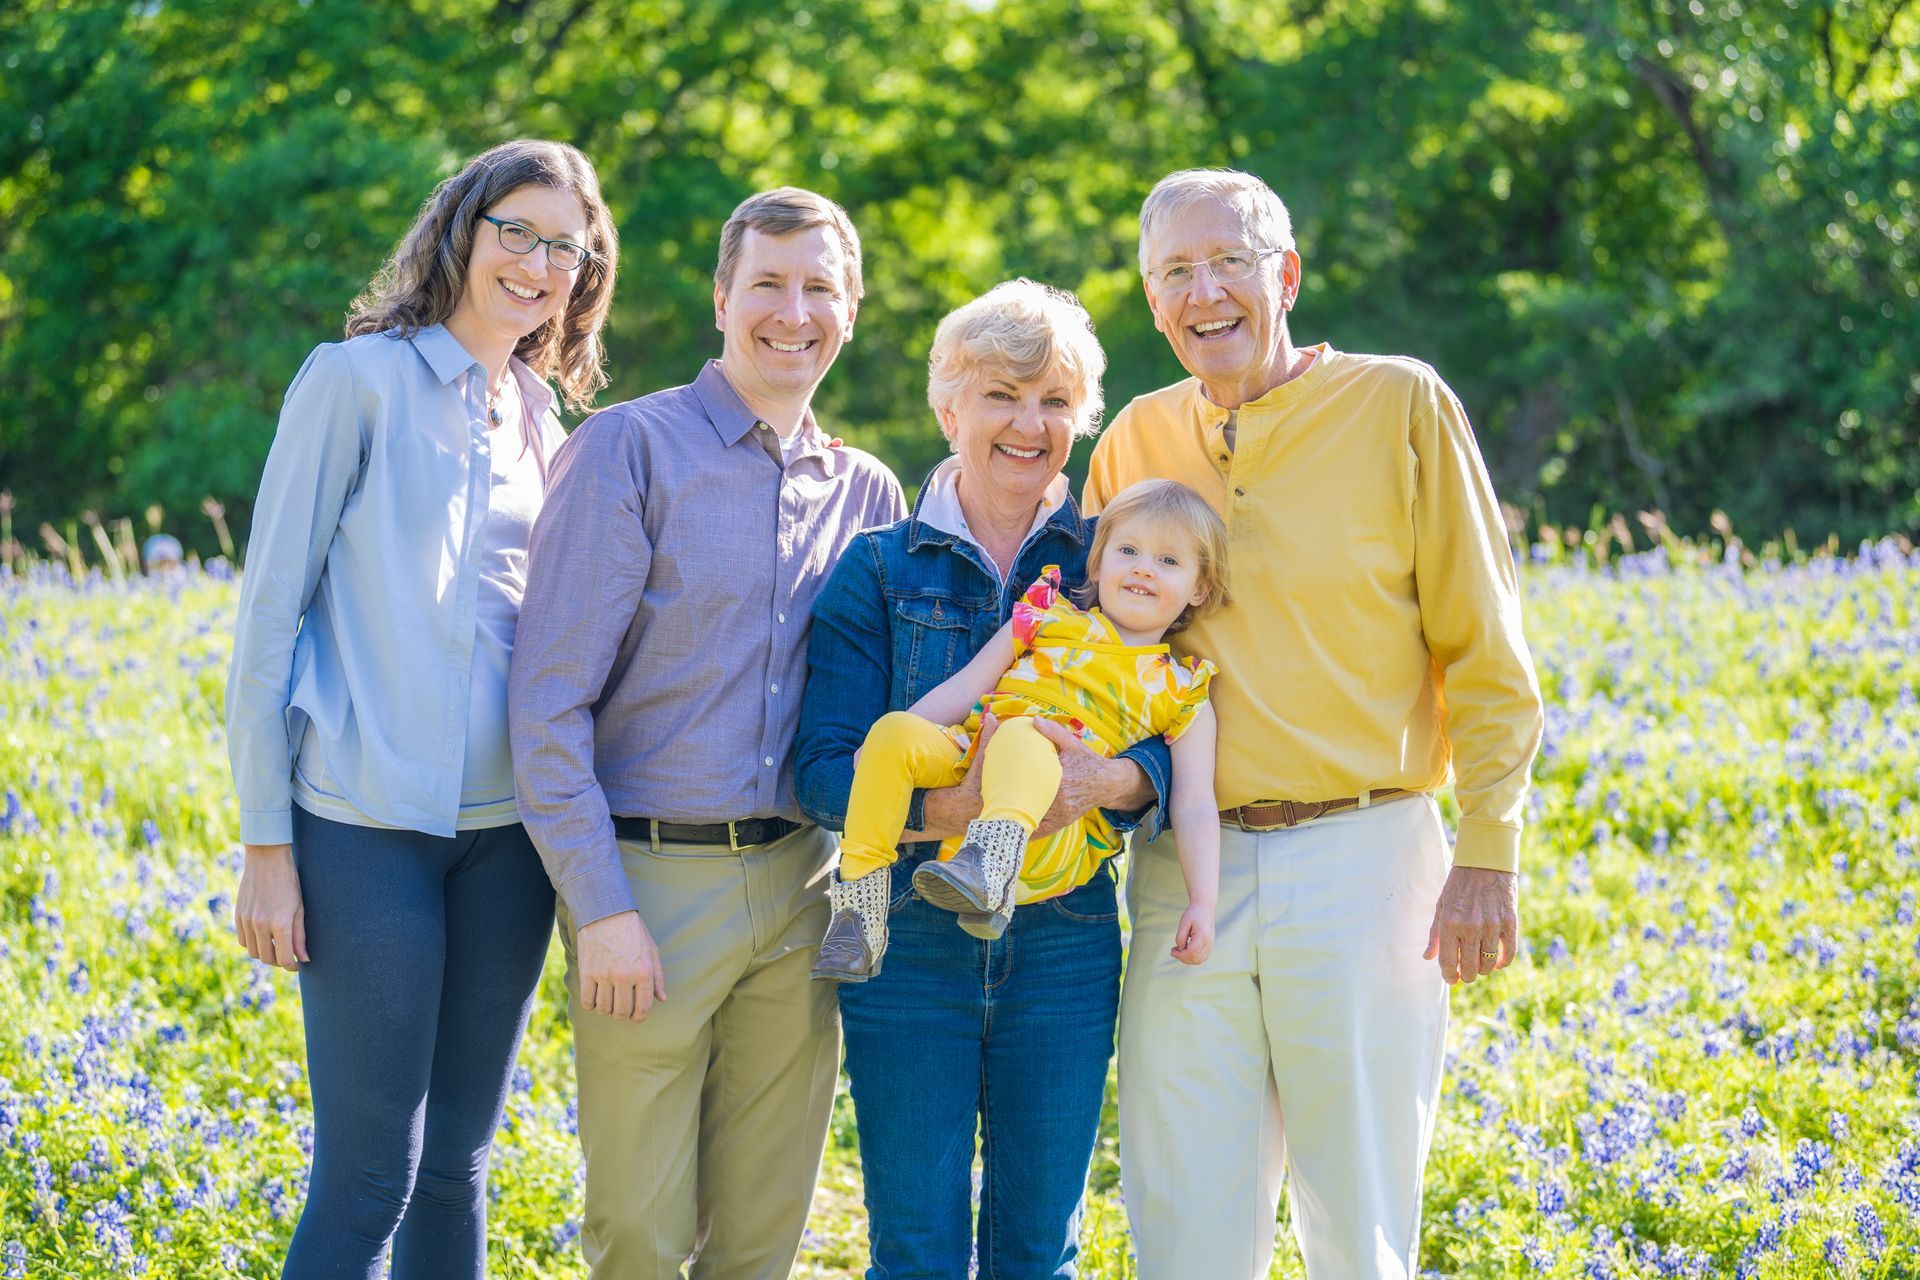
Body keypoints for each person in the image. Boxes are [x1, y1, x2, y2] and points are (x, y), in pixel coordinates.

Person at [1086, 167, 1545, 1280]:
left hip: (1367, 854)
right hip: (1185, 873)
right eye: (1176, 273)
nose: (1206, 293)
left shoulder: (1401, 403)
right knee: (1183, 1224)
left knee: (1360, 1228)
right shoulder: (1133, 441)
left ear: (1283, 274)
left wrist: (1488, 849)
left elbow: (1487, 648)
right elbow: (1096, 666)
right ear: (1153, 303)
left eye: (1229, 262)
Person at [225, 139, 618, 1280]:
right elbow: (266, 625)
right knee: (365, 1178)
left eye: (566, 247)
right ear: (462, 227)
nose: (539, 264)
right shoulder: (354, 383)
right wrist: (265, 843)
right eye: (518, 231)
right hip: (362, 828)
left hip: (511, 842)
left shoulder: (546, 419)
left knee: (457, 1166)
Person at [508, 187, 905, 1280]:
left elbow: (884, 719)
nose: (793, 310)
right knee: (636, 1230)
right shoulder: (628, 450)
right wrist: (603, 909)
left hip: (805, 884)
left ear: (852, 306)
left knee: (763, 1232)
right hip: (650, 884)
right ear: (721, 297)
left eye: (819, 285)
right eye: (767, 283)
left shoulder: (869, 489)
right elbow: (547, 706)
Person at [794, 278, 1172, 1277]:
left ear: (1081, 417)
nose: (1028, 422)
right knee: (915, 1250)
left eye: (1053, 399)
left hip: (1066, 938)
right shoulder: (876, 568)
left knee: (1036, 1250)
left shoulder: (1114, 556)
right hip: (908, 940)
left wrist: (1116, 782)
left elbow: (1181, 718)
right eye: (1001, 394)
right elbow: (825, 770)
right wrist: (964, 807)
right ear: (948, 405)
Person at [812, 477, 1229, 982]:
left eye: (1169, 561)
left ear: (1199, 587)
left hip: (1053, 831)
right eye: (1128, 550)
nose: (1144, 567)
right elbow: (967, 686)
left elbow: (1195, 803)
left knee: (1024, 732)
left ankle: (992, 863)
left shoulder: (1183, 691)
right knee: (896, 730)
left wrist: (1203, 903)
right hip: (974, 760)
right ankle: (860, 906)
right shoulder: (1044, 617)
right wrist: (887, 743)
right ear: (1097, 563)